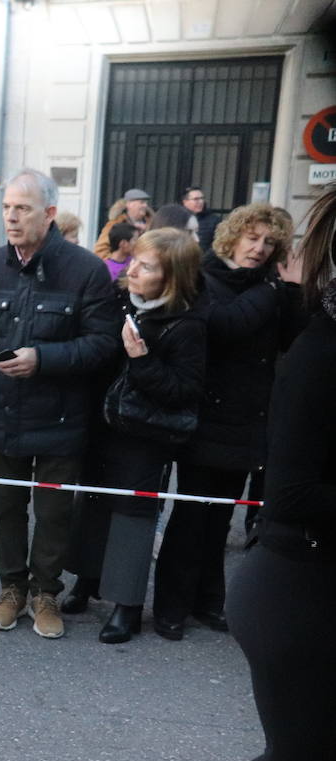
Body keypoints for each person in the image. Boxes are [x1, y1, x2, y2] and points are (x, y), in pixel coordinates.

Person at [154, 185, 335, 761]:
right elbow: (288, 498)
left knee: (317, 754)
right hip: (294, 587)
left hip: (317, 583)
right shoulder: (320, 352)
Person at [0, 169, 117, 638]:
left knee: (53, 513)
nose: (11, 216)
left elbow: (103, 344)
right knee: (7, 509)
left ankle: (46, 593)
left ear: (48, 213)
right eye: (7, 207)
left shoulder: (85, 269)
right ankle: (12, 589)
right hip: (0, 414)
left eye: (22, 208)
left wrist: (42, 359)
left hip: (62, 418)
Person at [151, 203, 300, 638]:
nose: (259, 248)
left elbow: (291, 336)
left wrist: (290, 290)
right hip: (205, 416)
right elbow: (226, 325)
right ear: (233, 236)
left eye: (269, 242)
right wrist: (275, 290)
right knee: (191, 516)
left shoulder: (271, 285)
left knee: (221, 519)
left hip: (248, 420)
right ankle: (170, 607)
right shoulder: (206, 276)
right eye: (252, 238)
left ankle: (208, 601)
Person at [85, 229, 206, 643]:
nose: (132, 270)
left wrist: (141, 359)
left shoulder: (186, 324)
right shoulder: (121, 302)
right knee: (95, 501)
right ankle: (86, 582)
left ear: (172, 277)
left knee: (133, 517)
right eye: (134, 260)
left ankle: (127, 607)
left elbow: (183, 390)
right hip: (105, 426)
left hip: (147, 436)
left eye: (147, 266)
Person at [93, 188, 153, 258]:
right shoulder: (115, 224)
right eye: (142, 202)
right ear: (129, 204)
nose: (145, 205)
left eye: (146, 203)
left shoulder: (152, 223)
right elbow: (100, 250)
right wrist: (117, 263)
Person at [180, 185, 223, 253]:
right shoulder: (178, 219)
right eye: (196, 199)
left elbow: (219, 245)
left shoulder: (215, 220)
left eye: (202, 198)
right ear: (185, 202)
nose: (200, 202)